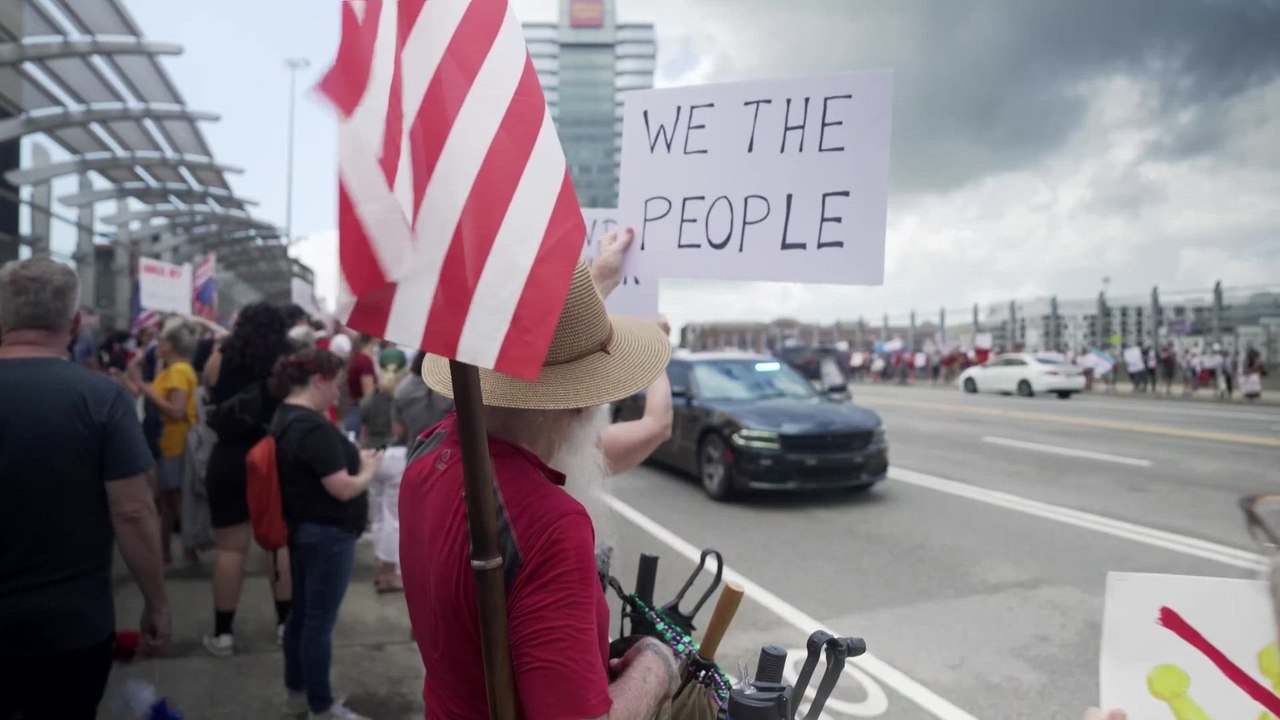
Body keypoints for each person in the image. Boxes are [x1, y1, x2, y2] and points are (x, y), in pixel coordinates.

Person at [400, 258, 678, 719]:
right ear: (582, 404)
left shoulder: (427, 451)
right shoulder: (550, 524)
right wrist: (657, 667)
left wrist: (595, 284)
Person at [0, 258, 170, 718]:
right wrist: (156, 603)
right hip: (71, 628)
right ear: (75, 324)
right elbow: (133, 512)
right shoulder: (102, 398)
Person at [270, 348, 380, 720]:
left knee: (302, 615)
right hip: (328, 534)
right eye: (336, 384)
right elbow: (343, 488)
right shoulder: (312, 427)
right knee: (318, 621)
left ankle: (298, 690)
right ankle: (321, 705)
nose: (338, 392)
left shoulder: (286, 417)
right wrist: (368, 469)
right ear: (319, 381)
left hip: (305, 528)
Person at [201, 302, 294, 656]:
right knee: (278, 543)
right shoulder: (287, 360)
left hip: (228, 457)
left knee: (229, 548)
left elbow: (209, 391)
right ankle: (286, 626)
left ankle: (223, 634)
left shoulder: (221, 355)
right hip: (273, 457)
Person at [115, 322, 200, 568]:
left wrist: (142, 386)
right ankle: (169, 550)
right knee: (167, 500)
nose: (157, 345)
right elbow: (143, 394)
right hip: (164, 442)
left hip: (173, 442)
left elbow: (176, 410)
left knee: (172, 499)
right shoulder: (170, 370)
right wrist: (129, 378)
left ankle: (178, 550)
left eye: (162, 341)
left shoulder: (178, 371)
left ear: (172, 345)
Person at [343, 334, 378, 436]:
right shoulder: (365, 361)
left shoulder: (357, 357)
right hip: (360, 414)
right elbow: (368, 395)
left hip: (353, 410)